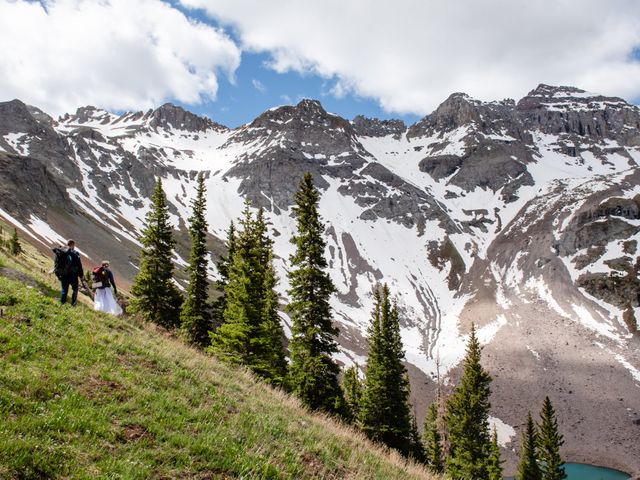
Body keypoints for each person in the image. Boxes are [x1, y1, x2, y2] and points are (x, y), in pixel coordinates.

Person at [56, 239, 84, 306]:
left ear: (67, 244)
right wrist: (81, 275)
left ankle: (62, 303)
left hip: (63, 274)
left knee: (64, 289)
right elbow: (79, 265)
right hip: (73, 275)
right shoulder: (75, 254)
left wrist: (58, 274)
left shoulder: (61, 252)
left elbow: (56, 263)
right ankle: (73, 304)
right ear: (73, 245)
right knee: (75, 289)